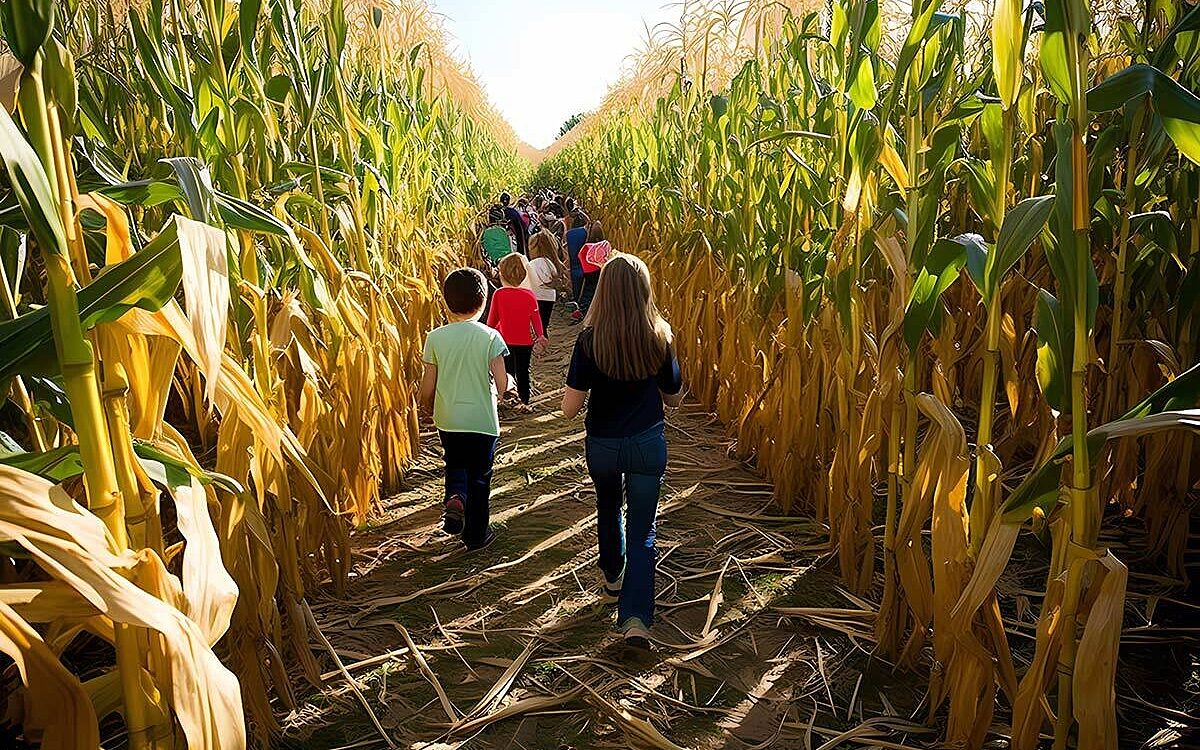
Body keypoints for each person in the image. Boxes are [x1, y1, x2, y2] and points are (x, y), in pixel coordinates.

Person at [562, 254, 684, 647]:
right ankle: (635, 619)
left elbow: (569, 407)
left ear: (604, 291)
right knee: (643, 528)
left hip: (603, 444)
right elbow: (674, 397)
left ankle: (612, 576)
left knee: (608, 507)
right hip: (647, 442)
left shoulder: (589, 340)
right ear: (644, 291)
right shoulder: (660, 336)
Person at [420, 268, 509, 550]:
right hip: (482, 419)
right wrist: (505, 391)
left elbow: (428, 385)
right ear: (483, 303)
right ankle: (476, 536)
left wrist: (426, 406)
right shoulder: (491, 337)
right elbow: (502, 381)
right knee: (480, 477)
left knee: (455, 463)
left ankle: (456, 497)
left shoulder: (435, 338)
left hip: (449, 418)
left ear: (446, 302)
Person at [487, 253, 547, 411]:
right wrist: (540, 335)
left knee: (507, 371)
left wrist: (488, 335)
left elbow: (492, 320)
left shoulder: (498, 295)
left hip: (503, 341)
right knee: (523, 372)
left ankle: (507, 400)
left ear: (501, 274)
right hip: (525, 341)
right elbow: (536, 320)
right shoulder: (529, 296)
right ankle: (525, 401)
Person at [528, 229, 564, 332]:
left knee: (536, 325)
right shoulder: (551, 263)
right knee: (543, 324)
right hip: (549, 297)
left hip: (536, 297)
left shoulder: (534, 264)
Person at [574, 222, 609, 322]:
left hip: (587, 271)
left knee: (588, 289)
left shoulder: (587, 245)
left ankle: (583, 308)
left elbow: (580, 255)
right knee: (596, 290)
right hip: (599, 270)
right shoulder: (604, 244)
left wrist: (585, 266)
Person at [564, 210, 589, 315]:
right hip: (587, 266)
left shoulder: (569, 234)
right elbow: (589, 222)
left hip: (574, 267)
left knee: (577, 291)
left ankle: (578, 308)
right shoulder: (586, 233)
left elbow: (566, 254)